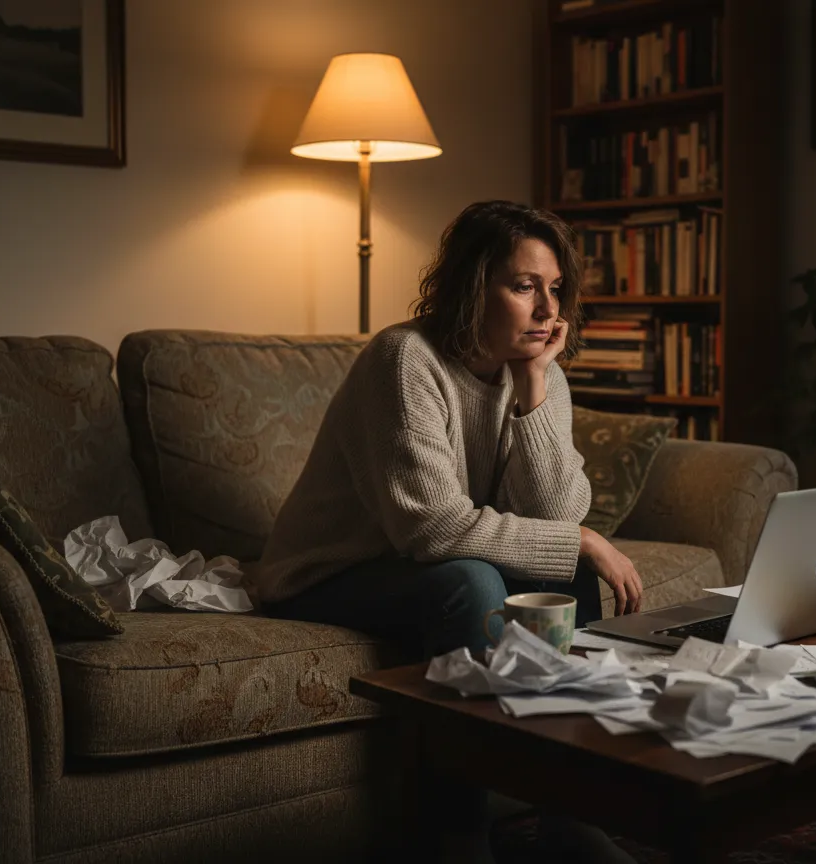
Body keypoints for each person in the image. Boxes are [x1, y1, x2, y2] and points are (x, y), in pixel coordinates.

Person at [254, 199, 644, 863]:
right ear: (473, 287)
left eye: (555, 289)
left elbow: (555, 516)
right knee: (472, 580)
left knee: (565, 571)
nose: (549, 311)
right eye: (524, 287)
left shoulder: (539, 372)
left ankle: (569, 813)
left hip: (419, 569)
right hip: (327, 573)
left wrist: (534, 390)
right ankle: (457, 832)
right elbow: (431, 530)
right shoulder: (406, 360)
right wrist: (579, 540)